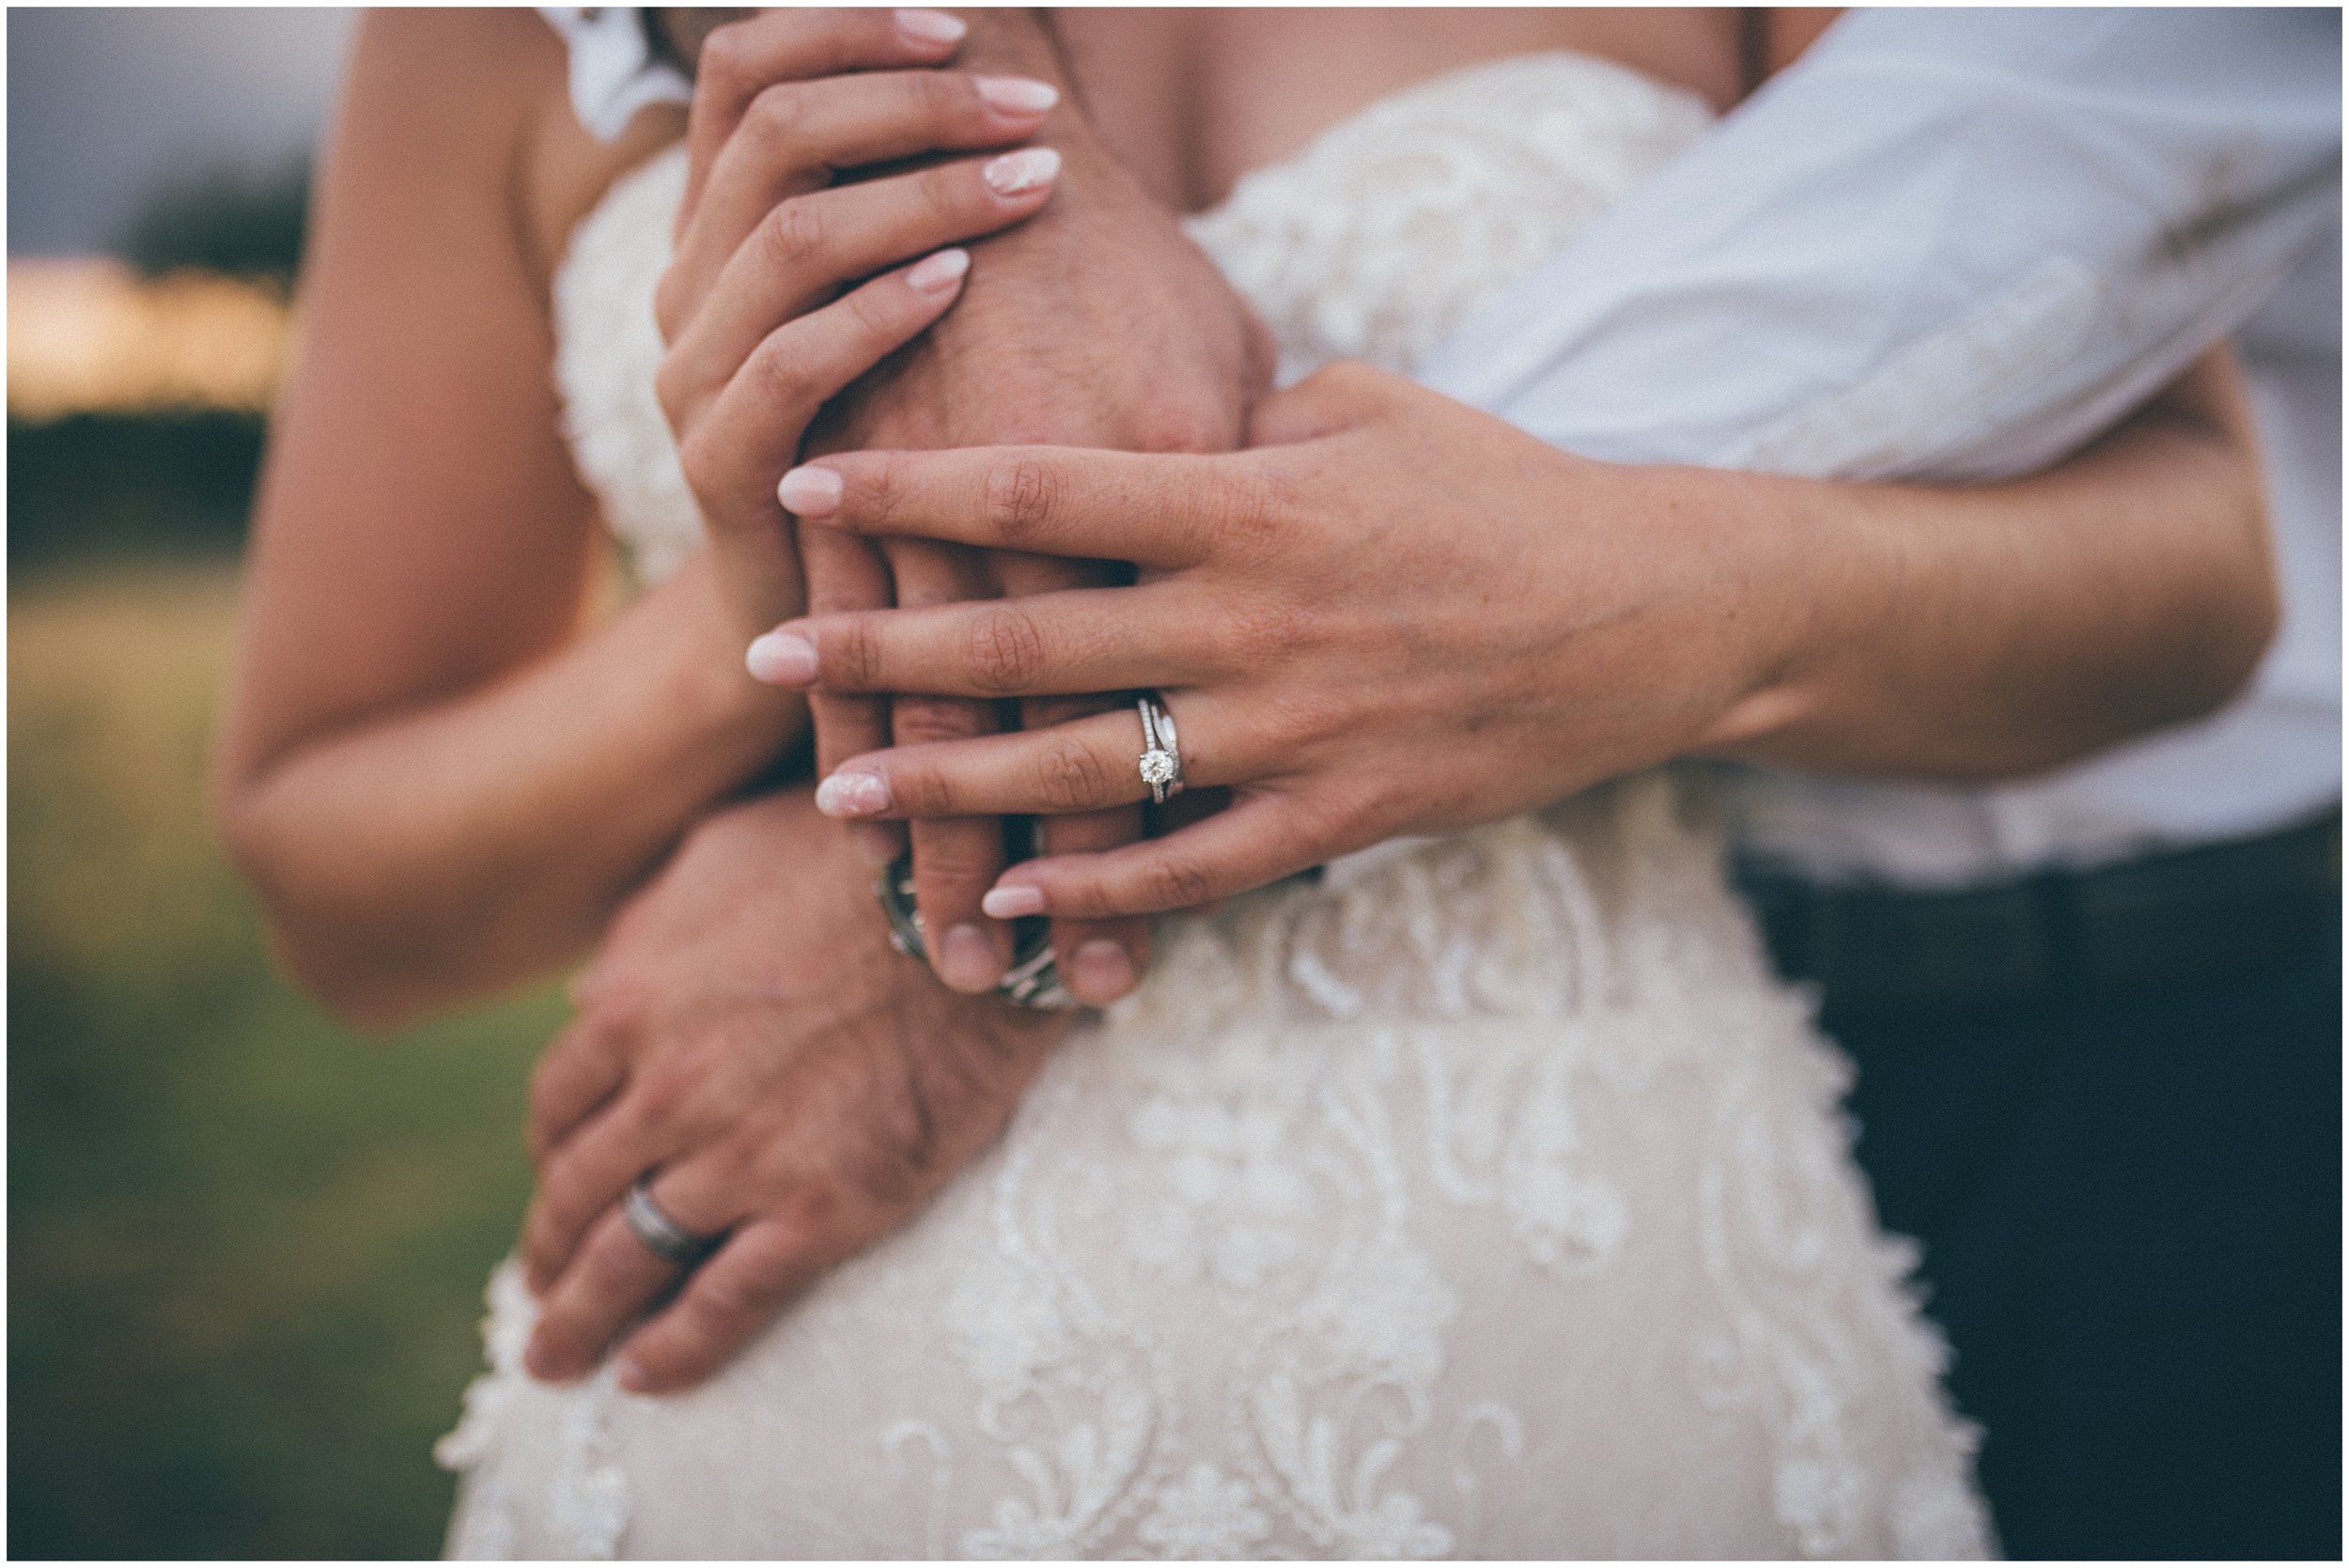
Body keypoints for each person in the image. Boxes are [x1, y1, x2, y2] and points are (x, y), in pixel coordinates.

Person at [203, 8, 2310, 1558]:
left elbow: (2190, 571)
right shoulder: (503, 40)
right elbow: (335, 871)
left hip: (1606, 1352)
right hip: (820, 1389)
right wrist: (759, 611)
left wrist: (1631, 608)